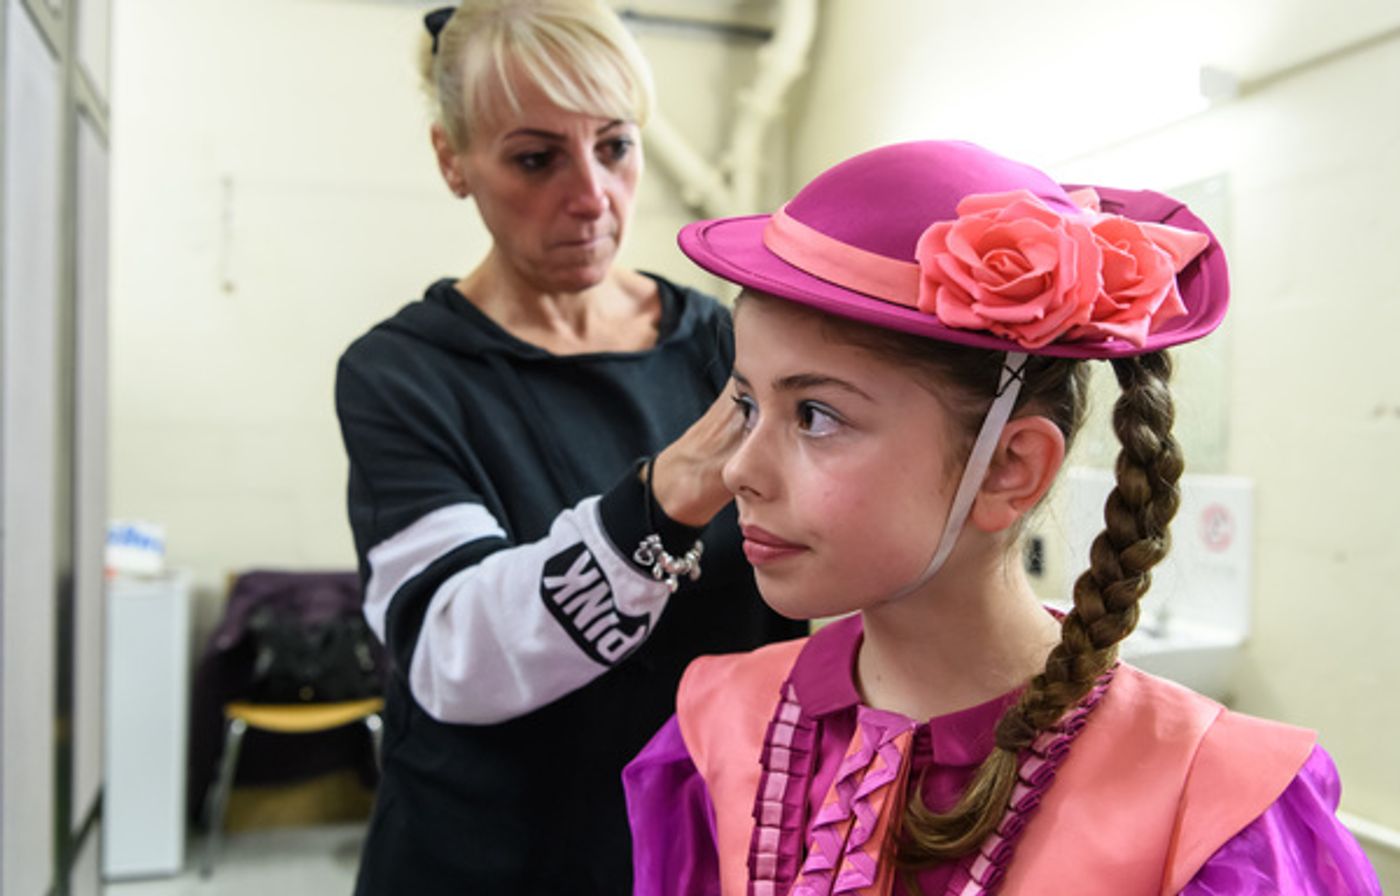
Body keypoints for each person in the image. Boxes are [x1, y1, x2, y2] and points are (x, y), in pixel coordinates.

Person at [623, 140, 1381, 894]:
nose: (738, 471)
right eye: (748, 405)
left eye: (817, 415)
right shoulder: (721, 729)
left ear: (1008, 468)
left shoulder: (1208, 803)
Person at [333, 2, 804, 893]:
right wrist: (666, 495)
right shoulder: (405, 374)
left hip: (697, 843)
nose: (591, 196)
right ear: (452, 160)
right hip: (489, 854)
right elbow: (451, 647)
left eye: (617, 147)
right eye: (536, 158)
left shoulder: (722, 345)